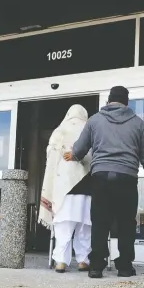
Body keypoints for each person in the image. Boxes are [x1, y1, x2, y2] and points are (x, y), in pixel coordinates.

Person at [64, 86, 144, 278]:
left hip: (101, 178)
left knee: (100, 222)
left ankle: (96, 266)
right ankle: (124, 267)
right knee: (126, 224)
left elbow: (80, 149)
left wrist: (72, 155)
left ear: (108, 101)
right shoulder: (138, 123)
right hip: (127, 178)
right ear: (126, 102)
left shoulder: (95, 120)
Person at [39, 105, 92, 273]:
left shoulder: (60, 130)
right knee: (85, 224)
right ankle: (83, 260)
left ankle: (61, 261)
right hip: (86, 183)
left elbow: (51, 157)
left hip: (64, 184)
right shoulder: (90, 128)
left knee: (63, 224)